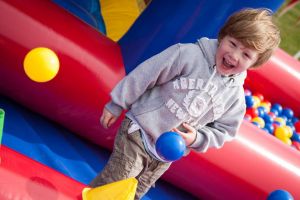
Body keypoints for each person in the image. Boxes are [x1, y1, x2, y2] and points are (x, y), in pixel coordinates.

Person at [89, 8, 280, 199]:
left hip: (166, 153)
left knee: (134, 193)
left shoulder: (235, 98)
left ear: (254, 63)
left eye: (246, 55)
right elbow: (147, 74)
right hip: (140, 130)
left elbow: (225, 131)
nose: (234, 55)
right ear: (223, 37)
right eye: (233, 44)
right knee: (117, 181)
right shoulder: (188, 55)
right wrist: (117, 103)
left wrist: (197, 138)